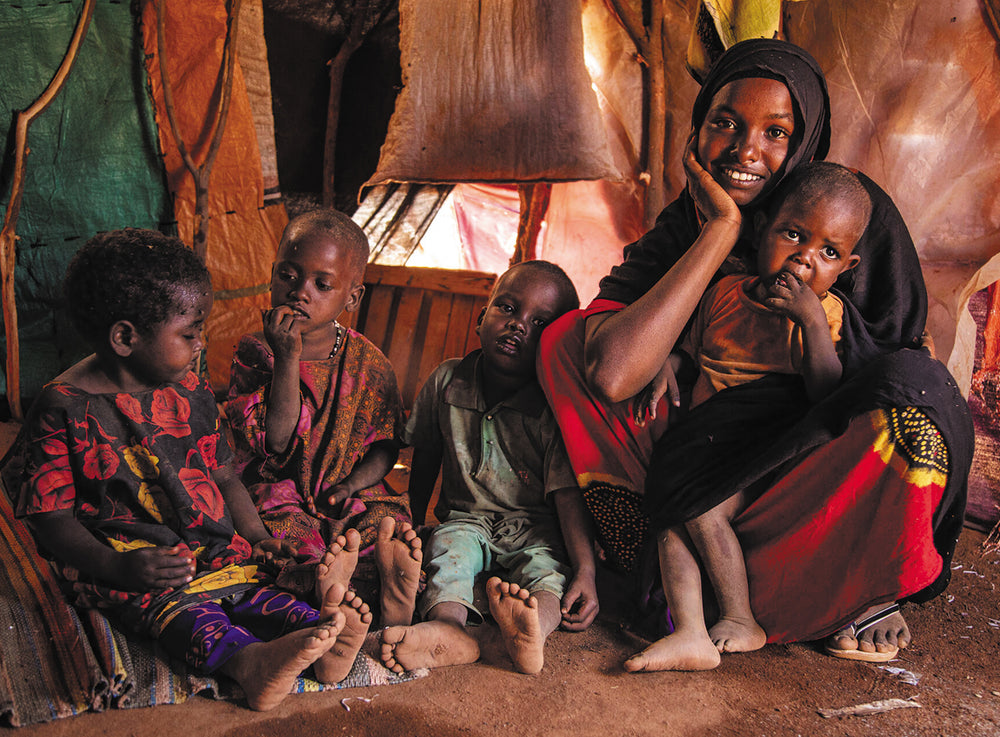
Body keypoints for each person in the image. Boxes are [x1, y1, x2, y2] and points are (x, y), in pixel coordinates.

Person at [537, 38, 972, 664]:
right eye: (726, 122)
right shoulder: (688, 222)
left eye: (775, 132)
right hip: (712, 448)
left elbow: (888, 361)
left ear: (805, 141)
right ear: (699, 126)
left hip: (813, 456)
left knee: (909, 409)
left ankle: (859, 585)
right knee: (565, 342)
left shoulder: (847, 213)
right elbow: (611, 374)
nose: (746, 151)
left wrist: (814, 330)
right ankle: (686, 585)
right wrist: (720, 232)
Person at [15, 229, 372, 711]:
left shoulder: (189, 386)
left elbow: (223, 475)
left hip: (211, 546)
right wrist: (118, 566)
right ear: (125, 337)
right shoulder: (61, 406)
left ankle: (322, 638)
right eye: (189, 333)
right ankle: (248, 665)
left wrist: (257, 534)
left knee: (257, 590)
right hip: (134, 559)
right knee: (184, 616)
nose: (201, 344)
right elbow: (50, 519)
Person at [624, 162, 871, 671]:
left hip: (757, 454)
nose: (804, 259)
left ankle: (741, 619)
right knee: (673, 519)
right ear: (762, 230)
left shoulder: (826, 315)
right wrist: (668, 365)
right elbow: (689, 350)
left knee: (702, 511)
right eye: (794, 234)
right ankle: (690, 630)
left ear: (846, 267)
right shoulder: (723, 293)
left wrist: (807, 321)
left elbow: (826, 393)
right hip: (702, 444)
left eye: (828, 252)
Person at [379, 261, 598, 675]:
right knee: (447, 555)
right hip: (466, 519)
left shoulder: (554, 407)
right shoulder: (446, 380)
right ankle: (448, 630)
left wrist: (586, 570)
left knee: (550, 575)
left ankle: (535, 629)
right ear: (482, 317)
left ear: (557, 345)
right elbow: (424, 457)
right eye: (509, 309)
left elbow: (567, 497)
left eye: (540, 324)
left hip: (535, 527)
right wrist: (413, 521)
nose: (519, 326)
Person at [227, 209, 422, 627]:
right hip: (280, 489)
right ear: (273, 273)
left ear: (351, 298)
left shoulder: (369, 362)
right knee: (284, 537)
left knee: (385, 520)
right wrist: (288, 358)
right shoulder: (256, 351)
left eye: (322, 284)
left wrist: (353, 483)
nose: (300, 292)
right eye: (288, 275)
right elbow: (274, 442)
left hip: (345, 490)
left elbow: (385, 447)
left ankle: (385, 585)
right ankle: (334, 592)